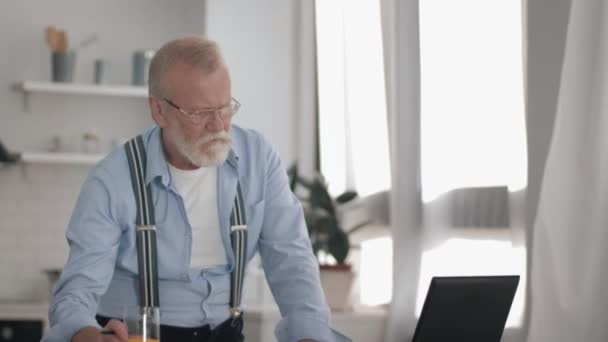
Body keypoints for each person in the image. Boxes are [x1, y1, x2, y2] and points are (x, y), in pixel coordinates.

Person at [42, 36, 349, 342]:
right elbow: (77, 290)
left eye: (225, 108)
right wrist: (86, 335)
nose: (218, 126)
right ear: (159, 111)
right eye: (200, 113)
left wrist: (310, 335)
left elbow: (292, 259)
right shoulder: (113, 178)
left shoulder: (258, 159)